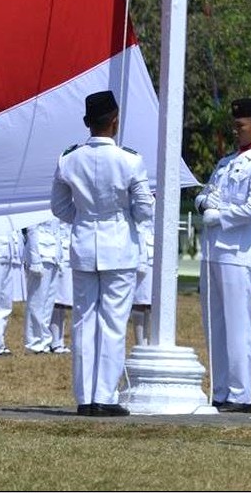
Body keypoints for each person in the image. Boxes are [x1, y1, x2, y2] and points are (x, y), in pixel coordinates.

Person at [50, 90, 154, 417]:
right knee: (112, 322)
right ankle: (106, 396)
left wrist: (84, 219)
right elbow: (144, 211)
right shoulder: (130, 160)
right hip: (119, 247)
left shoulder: (69, 158)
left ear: (86, 123)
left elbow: (59, 207)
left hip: (83, 243)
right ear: (115, 122)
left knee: (83, 321)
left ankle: (85, 397)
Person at [194, 98, 251, 414]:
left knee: (238, 327)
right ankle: (220, 391)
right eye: (234, 125)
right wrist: (205, 203)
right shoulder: (226, 162)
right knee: (214, 325)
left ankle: (241, 395)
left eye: (241, 126)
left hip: (238, 253)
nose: (236, 131)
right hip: (213, 251)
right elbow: (206, 193)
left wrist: (220, 214)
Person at [23, 220, 63, 354]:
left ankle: (44, 341)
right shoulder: (36, 202)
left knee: (47, 304)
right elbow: (32, 229)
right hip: (41, 255)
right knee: (36, 303)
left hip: (53, 256)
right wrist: (35, 259)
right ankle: (33, 342)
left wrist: (59, 255)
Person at [49, 219, 73, 354]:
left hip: (68, 255)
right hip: (58, 254)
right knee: (56, 300)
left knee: (63, 301)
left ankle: (59, 340)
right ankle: (54, 341)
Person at [130, 215, 154, 346]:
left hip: (154, 252)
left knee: (150, 301)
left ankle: (147, 341)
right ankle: (140, 343)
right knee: (140, 299)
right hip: (141, 251)